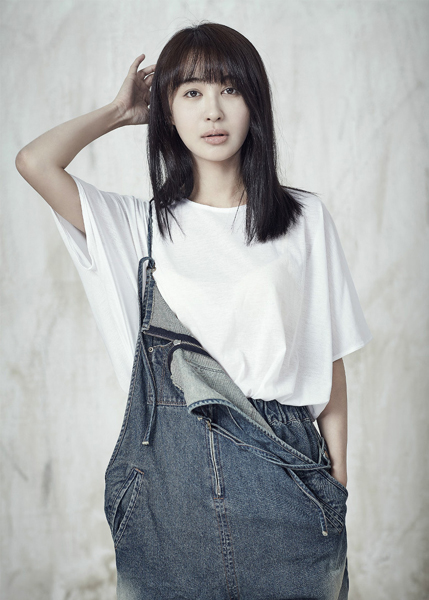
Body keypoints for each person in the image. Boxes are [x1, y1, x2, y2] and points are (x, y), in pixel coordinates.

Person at [16, 21, 372, 600]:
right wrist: (119, 112)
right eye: (192, 92)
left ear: (254, 104)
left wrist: (338, 480)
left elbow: (327, 354)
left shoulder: (303, 218)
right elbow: (34, 162)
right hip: (168, 495)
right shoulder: (138, 228)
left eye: (230, 89)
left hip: (286, 473)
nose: (213, 110)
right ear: (168, 111)